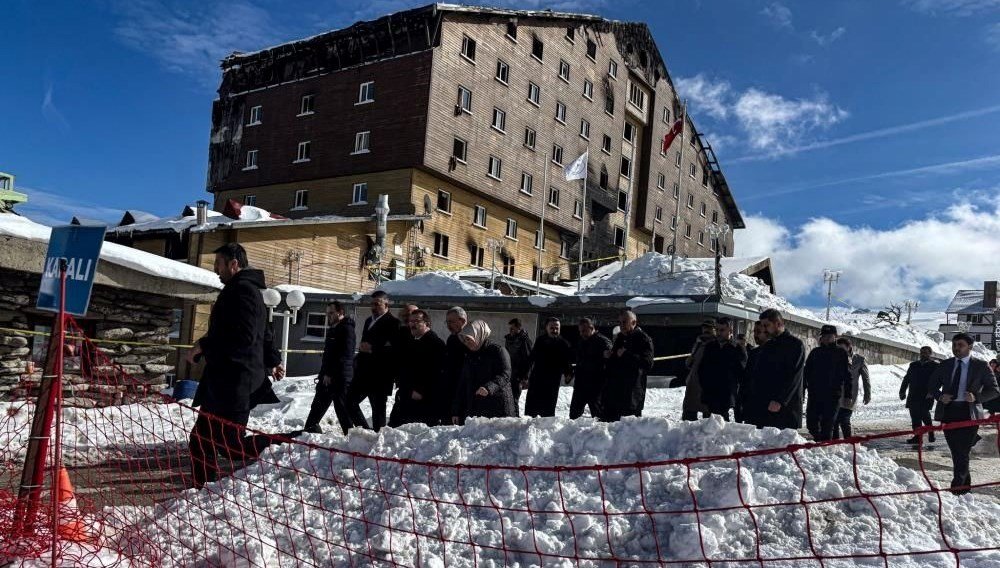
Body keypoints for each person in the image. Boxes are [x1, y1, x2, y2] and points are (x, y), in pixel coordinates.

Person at [186, 243, 268, 488]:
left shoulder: (244, 291)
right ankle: (204, 489)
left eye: (219, 264)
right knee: (201, 441)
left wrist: (204, 345)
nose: (216, 270)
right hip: (223, 381)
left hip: (235, 382)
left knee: (233, 447)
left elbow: (244, 337)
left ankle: (289, 443)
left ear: (234, 264)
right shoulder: (237, 290)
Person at [927, 333, 999, 495]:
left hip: (969, 413)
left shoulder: (981, 366)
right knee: (957, 451)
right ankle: (965, 487)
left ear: (970, 347)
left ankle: (957, 488)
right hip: (949, 411)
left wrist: (976, 397)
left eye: (960, 345)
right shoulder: (945, 365)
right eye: (954, 345)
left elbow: (994, 390)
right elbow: (931, 385)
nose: (956, 348)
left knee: (962, 451)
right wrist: (940, 396)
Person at [348, 291, 400, 431]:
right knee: (349, 402)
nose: (374, 307)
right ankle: (365, 431)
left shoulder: (393, 323)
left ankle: (378, 439)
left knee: (378, 412)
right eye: (372, 304)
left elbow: (394, 349)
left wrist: (373, 349)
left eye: (377, 304)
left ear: (386, 304)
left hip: (380, 375)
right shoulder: (368, 321)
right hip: (364, 373)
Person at [303, 301, 357, 434]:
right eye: (327, 313)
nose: (329, 316)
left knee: (342, 410)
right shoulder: (334, 329)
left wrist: (330, 374)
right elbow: (329, 355)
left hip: (339, 377)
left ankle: (352, 438)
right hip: (327, 376)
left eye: (331, 313)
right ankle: (309, 431)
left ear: (341, 313)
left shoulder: (347, 329)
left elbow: (345, 355)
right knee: (318, 406)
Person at [748, 309, 805, 430]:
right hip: (765, 406)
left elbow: (794, 377)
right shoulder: (768, 346)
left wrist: (780, 400)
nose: (764, 329)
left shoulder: (795, 345)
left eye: (766, 325)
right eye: (762, 325)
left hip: (785, 408)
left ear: (778, 324)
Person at [389, 309, 446, 427]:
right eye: (410, 321)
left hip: (422, 399)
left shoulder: (435, 344)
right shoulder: (412, 341)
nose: (412, 324)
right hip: (407, 394)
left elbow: (436, 372)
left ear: (427, 323)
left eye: (416, 321)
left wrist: (421, 391)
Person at [451, 320, 516, 423]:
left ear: (478, 335)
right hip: (476, 409)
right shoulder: (469, 356)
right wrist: (456, 411)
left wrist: (489, 387)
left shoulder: (498, 351)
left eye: (469, 339)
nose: (467, 343)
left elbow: (505, 374)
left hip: (498, 408)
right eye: (464, 340)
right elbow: (462, 384)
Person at [602, 309, 655, 421]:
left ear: (634, 322)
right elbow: (615, 361)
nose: (621, 325)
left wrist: (627, 355)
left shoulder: (643, 339)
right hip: (615, 393)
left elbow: (647, 363)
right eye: (620, 322)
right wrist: (609, 357)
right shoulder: (620, 338)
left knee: (628, 430)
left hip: (631, 395)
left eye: (624, 322)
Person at [803, 325, 851, 441]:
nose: (827, 338)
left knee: (828, 425)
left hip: (833, 395)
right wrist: (803, 389)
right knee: (811, 423)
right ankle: (819, 441)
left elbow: (847, 375)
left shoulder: (841, 353)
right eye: (824, 336)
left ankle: (824, 449)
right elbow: (806, 372)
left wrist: (848, 395)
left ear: (835, 337)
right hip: (815, 394)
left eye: (830, 336)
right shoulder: (815, 352)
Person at [698, 317, 747, 421]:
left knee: (722, 423)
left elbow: (742, 373)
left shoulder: (737, 349)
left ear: (730, 330)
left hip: (726, 394)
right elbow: (702, 369)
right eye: (717, 330)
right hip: (710, 393)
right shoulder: (710, 347)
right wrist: (705, 385)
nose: (719, 333)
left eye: (722, 330)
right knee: (708, 423)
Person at [524, 317, 574, 418]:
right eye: (552, 328)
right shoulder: (540, 341)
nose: (554, 330)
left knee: (548, 410)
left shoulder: (564, 344)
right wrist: (525, 374)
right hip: (537, 378)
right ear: (546, 328)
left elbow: (566, 362)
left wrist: (568, 373)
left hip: (552, 381)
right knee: (532, 408)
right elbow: (531, 358)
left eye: (557, 328)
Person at [570, 318, 612, 419]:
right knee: (574, 414)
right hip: (581, 384)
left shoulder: (603, 341)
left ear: (592, 328)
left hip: (596, 385)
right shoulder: (581, 342)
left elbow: (610, 359)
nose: (581, 333)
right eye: (580, 331)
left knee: (598, 415)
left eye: (584, 330)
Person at [899, 346, 939, 444]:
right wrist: (902, 391)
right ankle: (917, 436)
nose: (923, 355)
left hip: (926, 395)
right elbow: (906, 379)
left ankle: (931, 433)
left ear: (930, 354)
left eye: (925, 353)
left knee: (925, 415)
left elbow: (938, 381)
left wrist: (932, 392)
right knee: (915, 416)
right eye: (921, 353)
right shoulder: (913, 365)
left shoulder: (934, 366)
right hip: (913, 394)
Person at [833, 337, 870, 439]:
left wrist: (867, 394)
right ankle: (835, 444)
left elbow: (866, 379)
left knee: (844, 419)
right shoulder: (834, 357)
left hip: (850, 395)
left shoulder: (859, 360)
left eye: (842, 348)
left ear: (849, 348)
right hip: (836, 394)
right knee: (834, 420)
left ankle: (849, 442)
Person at [438, 307, 469, 425]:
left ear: (462, 321)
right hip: (451, 387)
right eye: (447, 322)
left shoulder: (468, 338)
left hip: (463, 387)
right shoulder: (452, 338)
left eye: (451, 321)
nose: (448, 325)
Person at [681, 320, 717, 421]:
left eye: (709, 328)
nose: (706, 330)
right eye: (704, 328)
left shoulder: (716, 344)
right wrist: (689, 361)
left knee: (709, 417)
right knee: (689, 412)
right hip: (693, 382)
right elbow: (692, 361)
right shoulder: (698, 342)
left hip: (708, 384)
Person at [736, 321, 768, 424]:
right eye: (754, 332)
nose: (755, 335)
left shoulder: (776, 355)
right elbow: (747, 379)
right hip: (751, 406)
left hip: (766, 408)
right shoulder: (754, 353)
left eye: (758, 332)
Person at [505, 318, 533, 411]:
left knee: (514, 399)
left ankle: (515, 420)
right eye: (510, 329)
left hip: (518, 375)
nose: (510, 331)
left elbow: (528, 360)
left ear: (518, 328)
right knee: (508, 399)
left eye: (512, 328)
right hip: (509, 373)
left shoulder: (524, 340)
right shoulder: (509, 339)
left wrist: (525, 377)